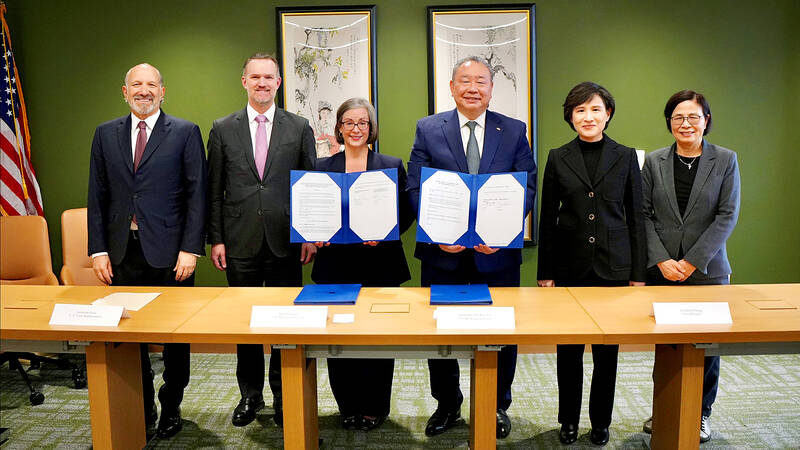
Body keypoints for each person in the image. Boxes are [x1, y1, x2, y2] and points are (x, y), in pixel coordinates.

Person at [407, 56, 537, 439]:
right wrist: (438, 233)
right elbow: (415, 186)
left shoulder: (513, 130)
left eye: (481, 81)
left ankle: (496, 404)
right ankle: (447, 404)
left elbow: (527, 185)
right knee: (440, 335)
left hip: (496, 255)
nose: (473, 88)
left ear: (491, 89)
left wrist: (501, 233)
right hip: (442, 254)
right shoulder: (429, 128)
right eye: (465, 81)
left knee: (500, 334)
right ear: (452, 87)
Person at [87, 63, 207, 439]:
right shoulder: (105, 134)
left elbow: (197, 195)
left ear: (162, 91)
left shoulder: (185, 132)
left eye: (151, 84)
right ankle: (140, 405)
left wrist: (191, 249)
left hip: (172, 254)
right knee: (128, 337)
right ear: (125, 92)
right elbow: (97, 195)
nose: (144, 90)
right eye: (136, 85)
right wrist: (98, 250)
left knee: (175, 337)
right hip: (122, 252)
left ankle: (171, 404)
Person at [206, 53, 317, 428]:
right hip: (239, 242)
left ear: (278, 83)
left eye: (269, 77)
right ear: (244, 82)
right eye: (255, 77)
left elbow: (309, 187)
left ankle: (285, 395)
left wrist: (308, 235)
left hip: (286, 240)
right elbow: (214, 188)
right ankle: (250, 394)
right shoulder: (223, 128)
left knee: (286, 324)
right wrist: (216, 239)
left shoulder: (299, 127)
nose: (262, 83)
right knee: (246, 324)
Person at [536, 81, 646, 446]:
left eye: (596, 109)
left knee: (606, 354)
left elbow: (636, 216)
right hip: (569, 268)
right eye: (580, 110)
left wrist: (638, 274)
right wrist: (545, 272)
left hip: (613, 269)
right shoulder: (558, 156)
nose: (588, 116)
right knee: (568, 352)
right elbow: (547, 218)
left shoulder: (625, 156)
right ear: (570, 116)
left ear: (608, 114)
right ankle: (568, 420)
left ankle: (601, 422)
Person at [640, 90, 740, 443]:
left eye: (693, 117)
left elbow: (727, 215)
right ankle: (665, 408)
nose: (686, 124)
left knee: (705, 348)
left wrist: (693, 261)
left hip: (708, 271)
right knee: (666, 348)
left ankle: (701, 413)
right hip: (663, 270)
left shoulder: (725, 159)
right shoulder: (654, 161)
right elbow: (643, 214)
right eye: (678, 117)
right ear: (669, 122)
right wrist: (662, 260)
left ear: (706, 121)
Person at [311, 97, 413, 431]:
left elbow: (406, 212)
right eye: (349, 123)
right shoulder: (322, 167)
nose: (356, 129)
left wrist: (385, 232)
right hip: (335, 264)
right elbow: (314, 211)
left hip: (379, 263)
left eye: (362, 123)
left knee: (378, 337)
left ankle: (375, 406)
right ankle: (348, 406)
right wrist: (316, 234)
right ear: (339, 128)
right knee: (338, 338)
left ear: (371, 128)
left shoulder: (391, 165)